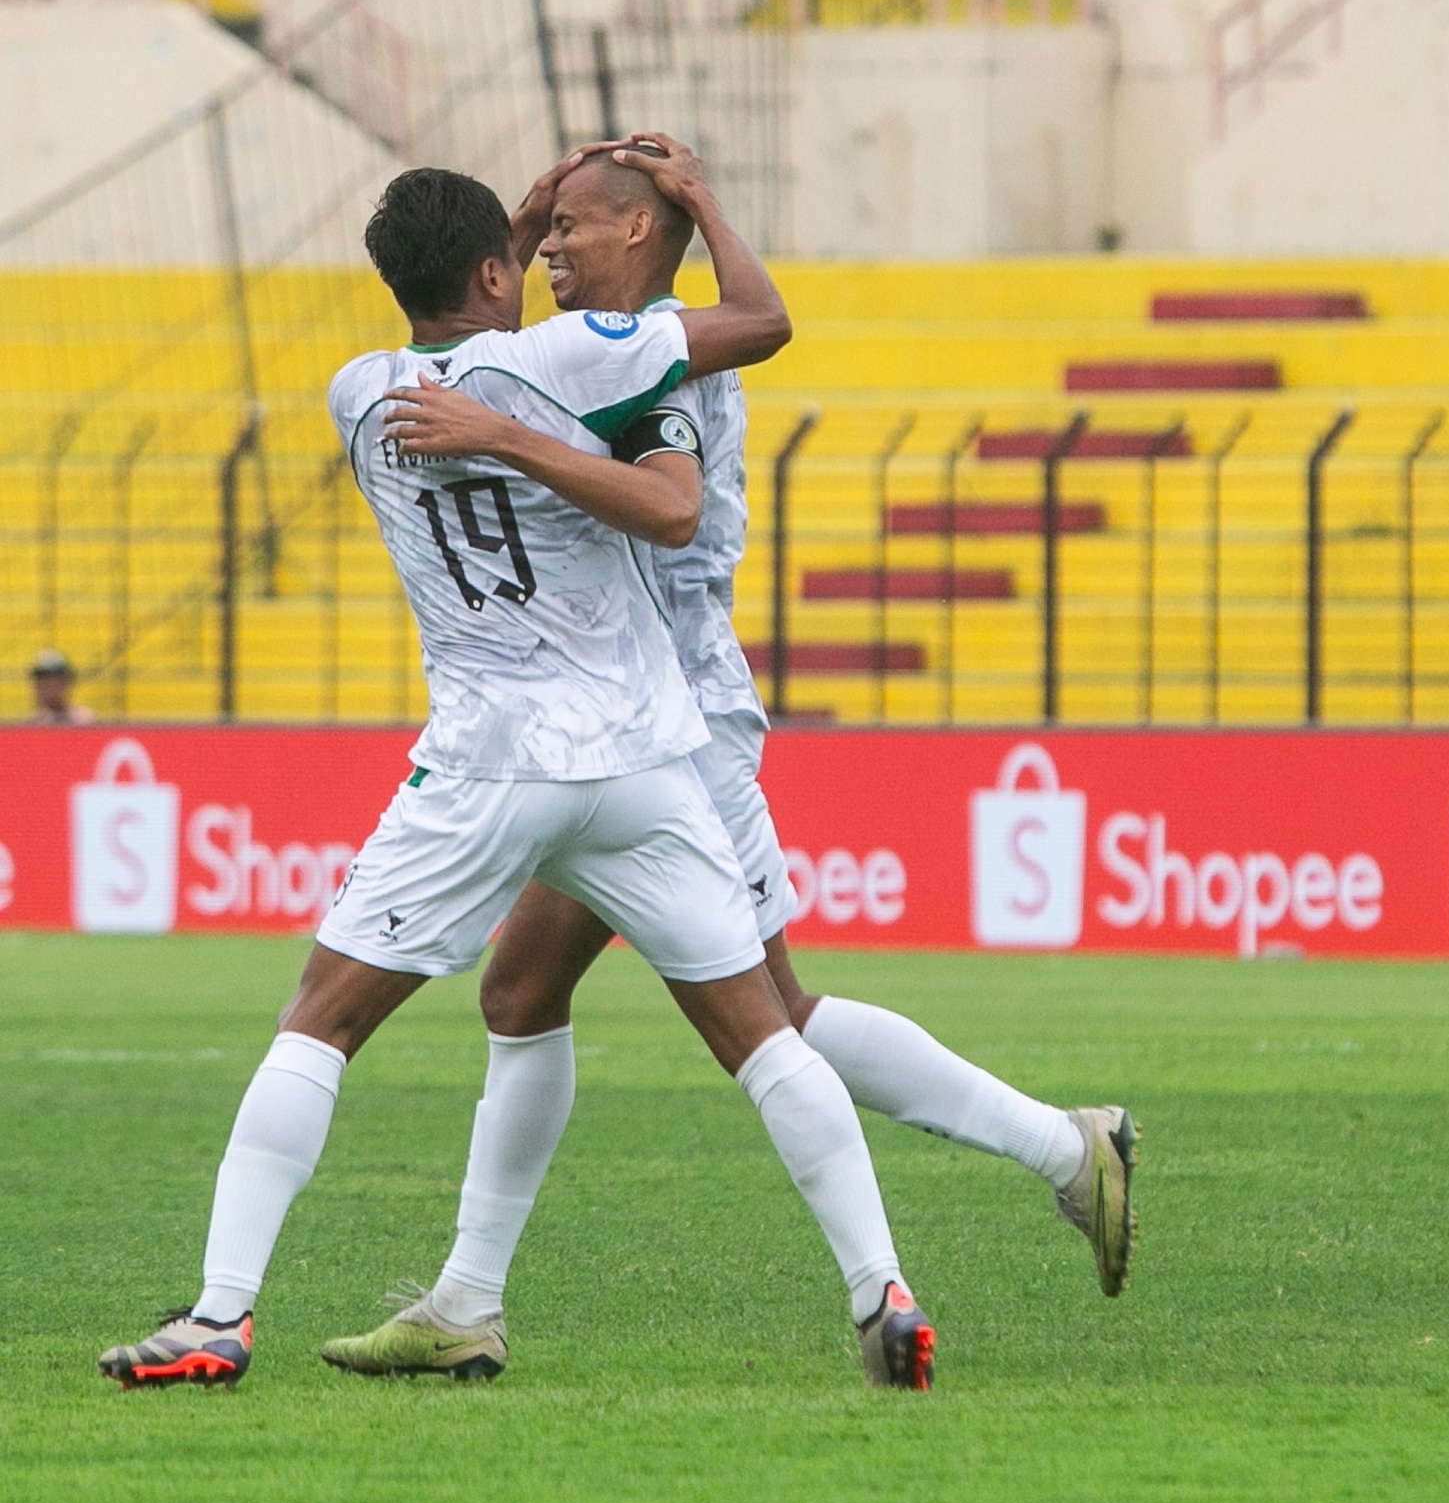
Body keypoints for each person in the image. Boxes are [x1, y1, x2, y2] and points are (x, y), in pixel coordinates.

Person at [99, 153, 936, 1394]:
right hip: (644, 759)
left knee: (321, 1019)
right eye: (525, 247)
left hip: (489, 759)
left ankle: (221, 1315)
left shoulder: (357, 393)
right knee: (763, 1035)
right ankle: (882, 1286)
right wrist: (693, 209)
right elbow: (754, 336)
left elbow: (471, 335)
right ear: (499, 267)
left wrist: (502, 259)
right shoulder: (580, 357)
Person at [318, 142, 1135, 1384]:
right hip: (631, 724)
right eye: (537, 242)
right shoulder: (588, 347)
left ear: (643, 237)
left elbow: (692, 448)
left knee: (745, 1020)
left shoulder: (653, 359)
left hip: (667, 731)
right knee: (560, 999)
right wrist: (516, 222)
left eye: (575, 232)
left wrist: (702, 204)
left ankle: (1037, 1171)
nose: (548, 253)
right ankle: (466, 1299)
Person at [29, 649, 94, 724]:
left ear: (67, 682)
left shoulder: (82, 720)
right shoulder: (27, 722)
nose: (49, 684)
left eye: (56, 677)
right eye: (42, 678)